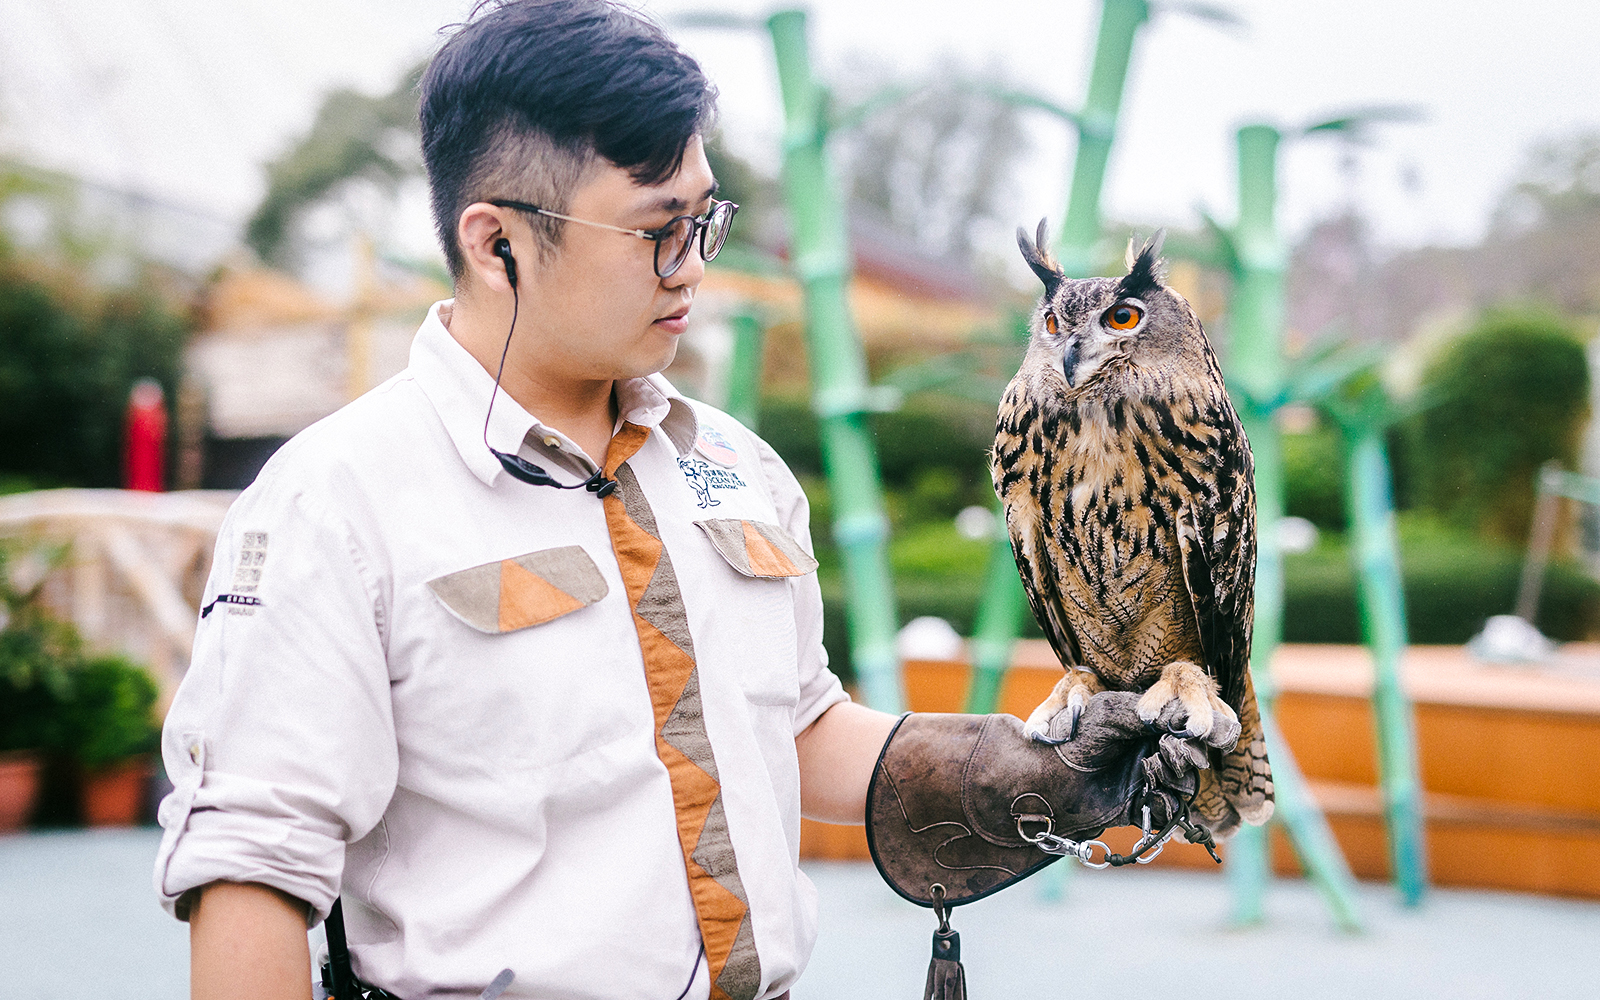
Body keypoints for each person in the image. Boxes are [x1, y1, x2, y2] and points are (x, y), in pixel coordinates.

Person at [155, 3, 1199, 998]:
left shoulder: (736, 467)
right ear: (494, 241)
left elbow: (786, 724)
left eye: (706, 219)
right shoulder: (334, 503)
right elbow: (252, 867)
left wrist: (1014, 765)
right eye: (658, 229)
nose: (694, 266)